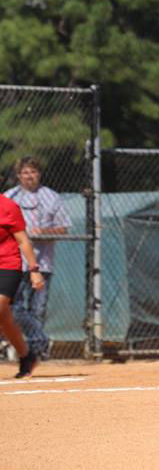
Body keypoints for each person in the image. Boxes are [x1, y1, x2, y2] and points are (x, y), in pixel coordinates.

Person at [4, 157, 71, 360]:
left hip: (42, 263)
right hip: (14, 263)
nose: (29, 176)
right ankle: (26, 343)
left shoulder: (51, 197)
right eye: (25, 172)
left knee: (38, 308)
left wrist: (44, 231)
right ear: (18, 176)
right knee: (15, 308)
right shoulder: (9, 197)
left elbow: (64, 228)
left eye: (33, 172)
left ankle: (35, 349)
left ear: (39, 174)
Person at [0, 193, 46, 378]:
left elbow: (23, 240)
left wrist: (34, 269)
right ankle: (27, 356)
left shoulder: (8, 206)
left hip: (7, 265)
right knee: (5, 320)